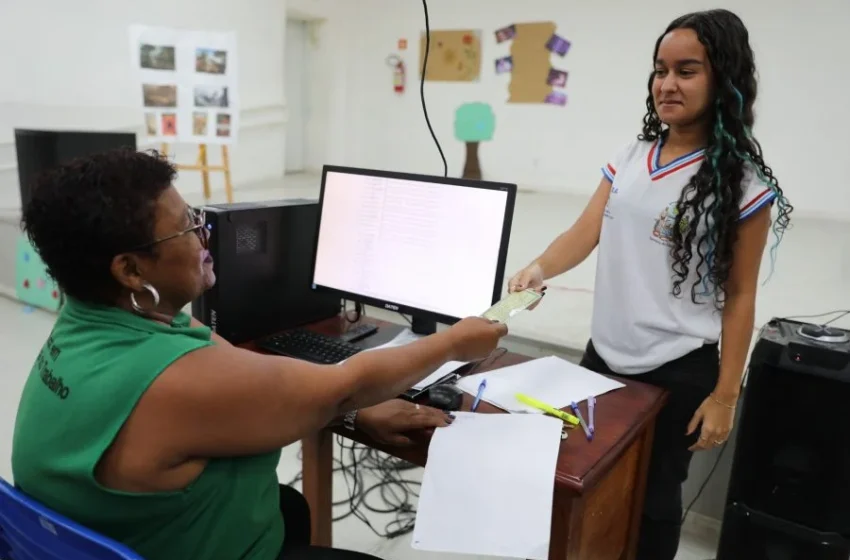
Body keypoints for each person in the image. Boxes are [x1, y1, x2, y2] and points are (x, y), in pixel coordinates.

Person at [12, 148, 508, 560]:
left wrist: (350, 408)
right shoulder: (171, 380)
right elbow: (343, 385)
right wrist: (453, 342)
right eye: (187, 227)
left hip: (121, 538)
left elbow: (261, 375)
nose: (205, 237)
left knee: (289, 507)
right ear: (130, 271)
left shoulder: (93, 321)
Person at [508, 9, 792, 560]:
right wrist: (540, 267)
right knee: (583, 481)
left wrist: (725, 397)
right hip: (604, 356)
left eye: (687, 71)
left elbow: (741, 297)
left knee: (654, 503)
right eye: (660, 70)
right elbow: (585, 231)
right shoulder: (631, 157)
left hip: (678, 371)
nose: (666, 84)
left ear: (724, 80)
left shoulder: (744, 186)